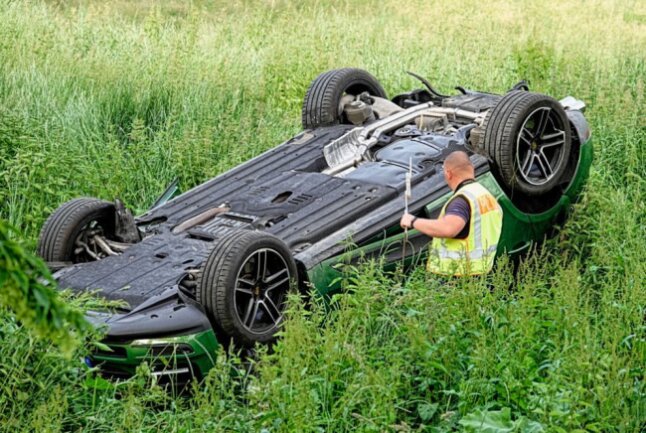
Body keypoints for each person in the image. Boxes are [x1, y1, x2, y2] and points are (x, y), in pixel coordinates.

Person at [400, 151, 503, 276]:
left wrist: (413, 221)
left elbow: (448, 229)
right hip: (481, 273)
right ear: (472, 169)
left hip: (457, 276)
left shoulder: (462, 200)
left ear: (448, 174)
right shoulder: (486, 196)